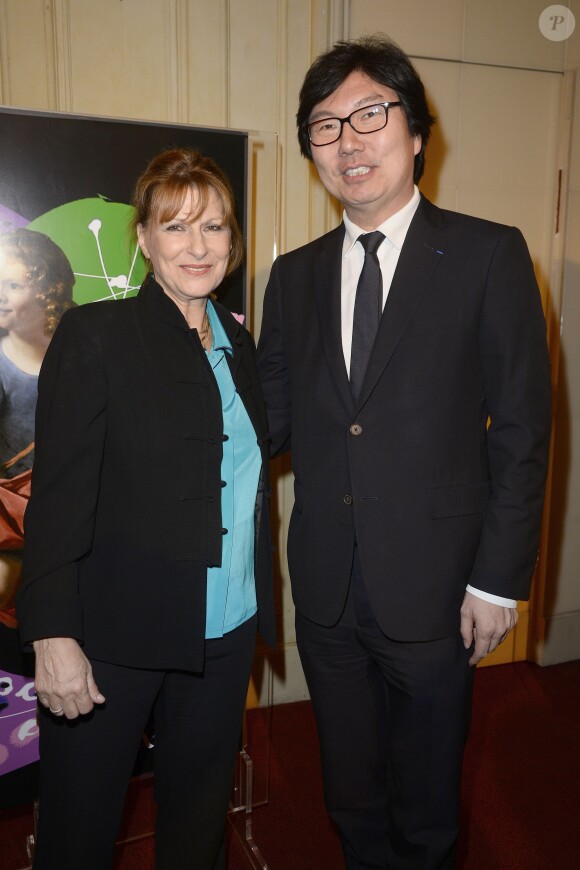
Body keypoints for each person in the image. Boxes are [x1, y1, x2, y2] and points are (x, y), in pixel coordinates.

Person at [257, 35, 551, 870]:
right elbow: (269, 419)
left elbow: (525, 429)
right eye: (324, 125)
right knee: (348, 789)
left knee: (426, 801)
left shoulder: (490, 253)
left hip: (440, 586)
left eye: (370, 115)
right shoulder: (296, 276)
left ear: (417, 133)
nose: (348, 141)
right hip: (326, 588)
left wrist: (499, 580)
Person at [17, 148, 275, 870]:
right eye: (177, 226)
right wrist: (54, 636)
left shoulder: (240, 343)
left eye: (215, 228)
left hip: (224, 631)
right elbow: (59, 497)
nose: (199, 246)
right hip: (114, 637)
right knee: (79, 832)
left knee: (197, 827)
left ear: (234, 241)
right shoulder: (97, 337)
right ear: (143, 238)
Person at [0, 228, 75, 630]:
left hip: (70, 505)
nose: (0, 296)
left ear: (48, 288)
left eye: (12, 285)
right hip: (8, 511)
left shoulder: (80, 345)